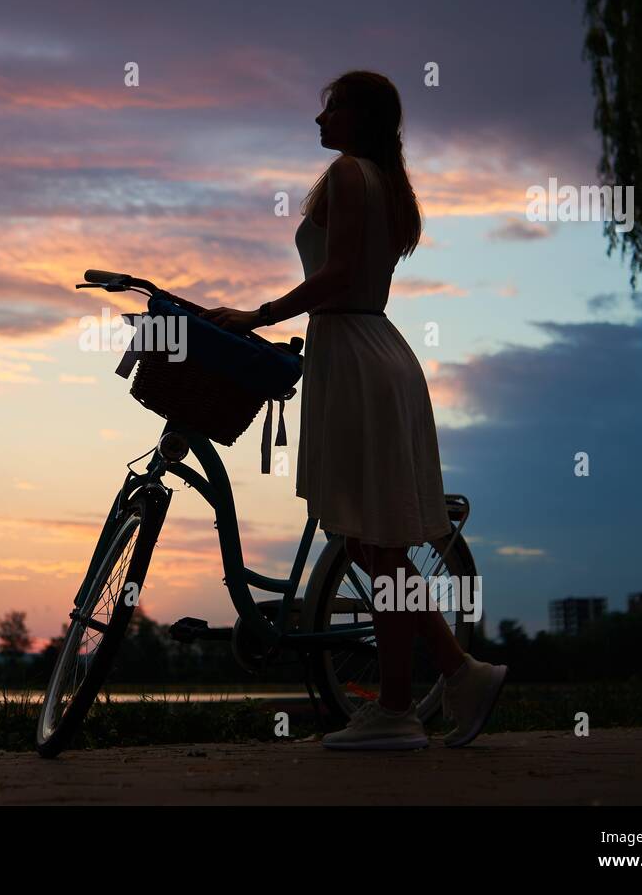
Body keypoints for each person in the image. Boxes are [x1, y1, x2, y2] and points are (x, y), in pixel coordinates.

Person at [202, 70, 507, 751]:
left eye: (331, 109)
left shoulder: (348, 174)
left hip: (353, 350)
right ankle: (454, 677)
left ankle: (402, 708)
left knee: (377, 542)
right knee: (376, 543)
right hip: (374, 349)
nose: (319, 122)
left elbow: (336, 277)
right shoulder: (389, 187)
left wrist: (256, 316)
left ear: (361, 118)